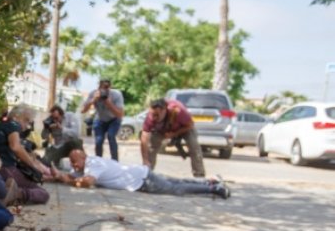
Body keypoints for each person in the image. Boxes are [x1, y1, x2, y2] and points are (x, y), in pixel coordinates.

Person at [55, 149, 230, 198]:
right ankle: (211, 181)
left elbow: (87, 183)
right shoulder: (87, 164)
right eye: (71, 162)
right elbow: (72, 175)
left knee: (177, 189)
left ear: (83, 157)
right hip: (142, 173)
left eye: (74, 161)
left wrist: (68, 181)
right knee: (176, 182)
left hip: (141, 181)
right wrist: (59, 176)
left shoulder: (93, 164)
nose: (72, 165)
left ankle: (214, 189)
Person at [0, 104, 51, 205]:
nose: (26, 126)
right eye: (26, 120)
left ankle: (8, 194)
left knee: (27, 185)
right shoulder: (14, 124)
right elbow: (15, 147)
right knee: (43, 194)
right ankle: (14, 194)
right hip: (6, 168)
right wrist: (33, 165)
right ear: (16, 116)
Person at [141, 98, 206, 178]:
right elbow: (144, 138)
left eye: (157, 115)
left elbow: (190, 125)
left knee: (194, 146)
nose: (154, 118)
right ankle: (147, 172)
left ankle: (199, 175)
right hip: (163, 130)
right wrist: (145, 159)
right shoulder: (150, 118)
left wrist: (174, 134)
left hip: (184, 128)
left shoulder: (178, 111)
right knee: (151, 146)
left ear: (164, 110)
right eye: (153, 114)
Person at [81, 78, 125, 160]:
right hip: (100, 119)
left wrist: (108, 103)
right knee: (99, 140)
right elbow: (83, 110)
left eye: (107, 88)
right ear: (99, 87)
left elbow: (120, 114)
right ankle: (99, 160)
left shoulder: (116, 94)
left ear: (110, 87)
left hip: (114, 119)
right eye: (102, 88)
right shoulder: (93, 94)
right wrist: (93, 100)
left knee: (111, 136)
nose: (104, 91)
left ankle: (114, 161)